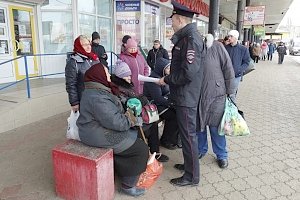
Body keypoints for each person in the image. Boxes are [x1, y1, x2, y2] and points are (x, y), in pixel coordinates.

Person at [77, 63, 148, 197]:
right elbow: (118, 123)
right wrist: (131, 117)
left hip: (97, 128)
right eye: (106, 73)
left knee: (135, 135)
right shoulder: (97, 97)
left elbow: (112, 117)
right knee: (140, 149)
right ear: (99, 76)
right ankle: (128, 185)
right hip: (96, 133)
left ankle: (121, 170)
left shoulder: (97, 90)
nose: (109, 75)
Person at [158, 0, 205, 187]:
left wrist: (167, 79)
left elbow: (189, 72)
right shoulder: (187, 37)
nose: (171, 23)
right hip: (184, 94)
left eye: (173, 20)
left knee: (188, 136)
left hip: (187, 96)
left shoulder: (190, 39)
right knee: (187, 135)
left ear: (180, 19)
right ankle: (189, 166)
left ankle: (191, 177)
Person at [111, 61, 169, 162]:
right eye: (126, 76)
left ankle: (155, 152)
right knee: (151, 124)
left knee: (153, 122)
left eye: (129, 75)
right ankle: (150, 153)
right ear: (120, 77)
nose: (129, 77)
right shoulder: (119, 89)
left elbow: (135, 98)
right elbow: (126, 105)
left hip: (134, 114)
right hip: (128, 119)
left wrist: (140, 99)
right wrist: (139, 101)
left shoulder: (126, 86)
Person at [196, 34, 235, 169]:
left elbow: (228, 68)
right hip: (198, 95)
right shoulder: (192, 47)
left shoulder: (217, 46)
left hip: (216, 94)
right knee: (199, 126)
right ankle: (200, 150)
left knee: (216, 127)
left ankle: (222, 155)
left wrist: (230, 92)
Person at [143, 57, 180, 150]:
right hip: (153, 106)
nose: (170, 70)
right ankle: (166, 140)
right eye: (167, 68)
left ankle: (173, 139)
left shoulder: (164, 78)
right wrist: (171, 103)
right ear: (161, 69)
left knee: (177, 112)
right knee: (173, 116)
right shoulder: (153, 80)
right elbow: (158, 99)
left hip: (162, 104)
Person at [65, 35, 99, 112]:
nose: (89, 47)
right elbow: (71, 84)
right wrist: (74, 102)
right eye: (85, 45)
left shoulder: (94, 59)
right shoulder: (73, 62)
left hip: (97, 97)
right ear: (79, 46)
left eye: (89, 44)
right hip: (84, 99)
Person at [225, 30, 250, 102]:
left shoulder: (243, 49)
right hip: (225, 75)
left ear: (236, 37)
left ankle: (233, 110)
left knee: (232, 94)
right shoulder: (225, 48)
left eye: (231, 36)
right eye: (228, 36)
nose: (229, 38)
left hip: (236, 76)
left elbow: (246, 62)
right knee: (224, 94)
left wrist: (239, 70)